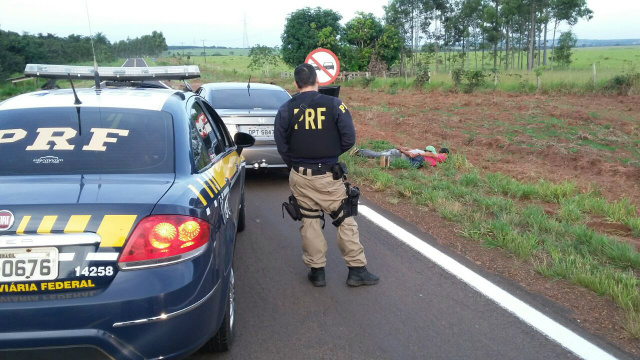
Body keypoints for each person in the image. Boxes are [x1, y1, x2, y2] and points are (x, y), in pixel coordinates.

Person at [274, 63, 379, 287]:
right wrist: (330, 154)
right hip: (329, 175)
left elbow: (281, 145)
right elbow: (349, 139)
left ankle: (317, 272)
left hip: (300, 175)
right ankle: (357, 270)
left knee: (309, 220)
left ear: (295, 83)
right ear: (317, 81)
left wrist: (296, 163)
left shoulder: (285, 109)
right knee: (344, 218)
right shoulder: (335, 105)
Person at [354, 145, 449, 167]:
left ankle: (360, 152)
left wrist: (403, 148)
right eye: (447, 155)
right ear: (444, 154)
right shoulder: (440, 157)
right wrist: (418, 154)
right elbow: (412, 153)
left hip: (400, 152)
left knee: (378, 154)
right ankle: (360, 152)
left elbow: (411, 150)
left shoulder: (425, 154)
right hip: (403, 154)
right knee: (378, 155)